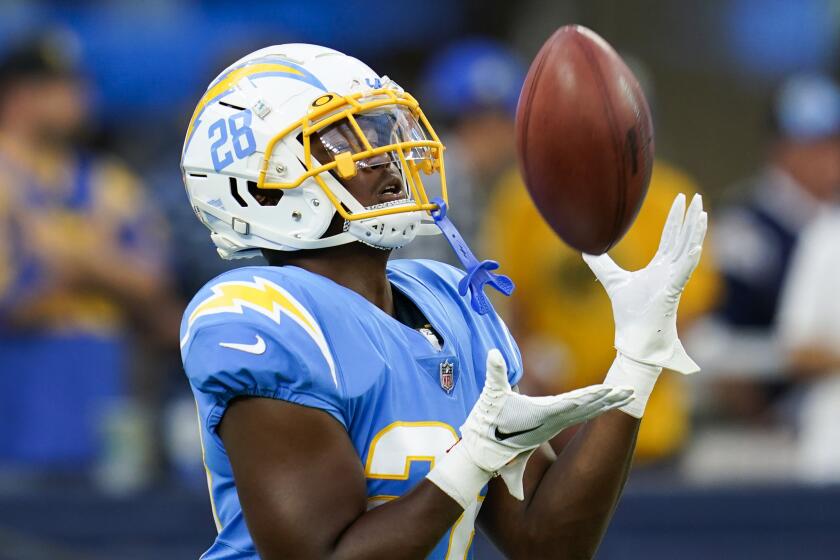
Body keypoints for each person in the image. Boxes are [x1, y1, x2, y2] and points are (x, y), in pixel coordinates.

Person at [179, 43, 707, 559]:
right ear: (260, 188)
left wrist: (636, 362)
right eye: (341, 139)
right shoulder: (268, 320)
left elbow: (549, 544)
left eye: (384, 131)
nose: (386, 156)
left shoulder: (448, 302)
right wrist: (468, 463)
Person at [0, 34, 178, 486]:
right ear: (20, 94)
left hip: (100, 396)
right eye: (62, 87)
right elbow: (15, 304)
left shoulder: (108, 182)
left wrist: (77, 262)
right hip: (17, 396)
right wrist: (107, 268)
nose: (82, 99)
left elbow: (154, 286)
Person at [483, 163, 720, 464]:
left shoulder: (667, 195)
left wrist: (593, 400)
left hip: (644, 433)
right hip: (549, 429)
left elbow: (680, 320)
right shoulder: (523, 197)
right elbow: (511, 309)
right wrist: (556, 400)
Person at [689, 74, 840, 419]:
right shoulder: (745, 228)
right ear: (780, 149)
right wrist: (763, 421)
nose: (829, 156)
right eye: (813, 144)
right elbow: (712, 340)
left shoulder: (830, 223)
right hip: (752, 428)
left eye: (833, 142)